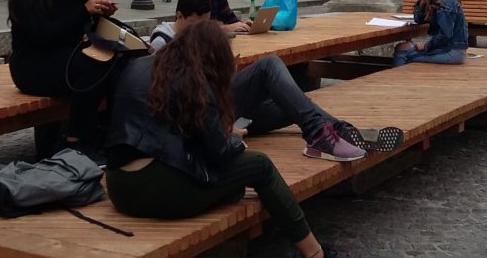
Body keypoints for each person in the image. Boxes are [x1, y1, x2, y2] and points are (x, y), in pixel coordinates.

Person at [105, 21, 343, 258]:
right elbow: (219, 154)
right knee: (261, 166)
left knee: (232, 185)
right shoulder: (196, 83)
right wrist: (231, 136)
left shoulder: (138, 67)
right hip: (162, 192)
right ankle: (315, 253)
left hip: (118, 186)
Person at [150, 0, 404, 158]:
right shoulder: (161, 43)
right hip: (206, 117)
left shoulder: (197, 37)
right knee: (270, 67)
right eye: (197, 25)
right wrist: (222, 129)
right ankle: (325, 134)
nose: (201, 32)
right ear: (179, 16)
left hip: (222, 108)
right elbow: (174, 101)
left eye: (207, 24)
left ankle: (339, 131)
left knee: (294, 101)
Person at [7, 0, 122, 162]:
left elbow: (82, 31)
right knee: (90, 66)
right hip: (32, 65)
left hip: (63, 58)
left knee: (117, 63)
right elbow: (42, 36)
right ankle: (74, 140)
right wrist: (83, 12)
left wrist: (101, 16)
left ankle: (110, 133)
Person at [393, 0, 468, 66]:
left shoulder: (443, 4)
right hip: (448, 48)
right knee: (401, 47)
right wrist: (421, 4)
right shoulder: (435, 1)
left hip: (452, 51)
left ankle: (398, 79)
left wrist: (426, 45)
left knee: (403, 53)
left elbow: (445, 34)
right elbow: (418, 20)